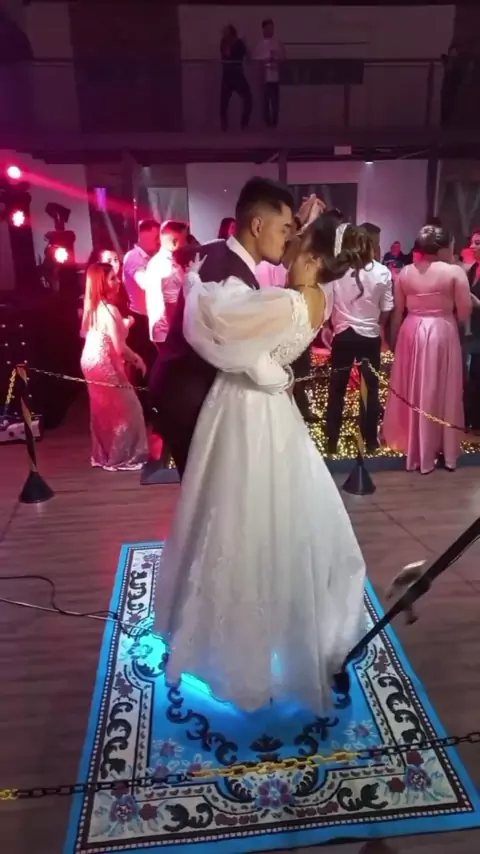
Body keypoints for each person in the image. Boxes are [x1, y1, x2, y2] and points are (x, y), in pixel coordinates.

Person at [153, 187, 367, 712]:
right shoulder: (317, 300)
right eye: (286, 230)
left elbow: (219, 324)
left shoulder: (285, 301)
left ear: (312, 256)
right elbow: (257, 342)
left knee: (235, 515)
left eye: (296, 239)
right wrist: (271, 369)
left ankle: (235, 647)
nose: (289, 243)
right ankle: (280, 625)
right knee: (274, 515)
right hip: (270, 414)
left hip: (246, 412)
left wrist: (194, 284)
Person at [382, 225, 471, 474]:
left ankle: (413, 444)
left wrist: (394, 340)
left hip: (410, 331)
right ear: (443, 247)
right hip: (442, 330)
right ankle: (441, 447)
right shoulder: (454, 272)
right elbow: (464, 312)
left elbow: (398, 312)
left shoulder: (406, 272)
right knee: (440, 389)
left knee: (412, 388)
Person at [325, 225, 394, 455]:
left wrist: (330, 325)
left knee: (337, 389)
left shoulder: (336, 270)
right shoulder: (382, 272)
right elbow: (387, 309)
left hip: (343, 335)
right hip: (369, 336)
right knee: (371, 390)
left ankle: (332, 440)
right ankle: (370, 439)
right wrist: (376, 322)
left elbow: (328, 304)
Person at [80, 263, 149, 471]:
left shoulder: (92, 308)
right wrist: (137, 358)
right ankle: (124, 456)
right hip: (103, 363)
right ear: (102, 283)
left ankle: (105, 454)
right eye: (113, 278)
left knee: (103, 410)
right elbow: (119, 348)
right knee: (129, 408)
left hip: (89, 361)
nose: (118, 281)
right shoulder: (110, 310)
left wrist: (123, 326)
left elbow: (99, 334)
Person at [122, 219, 160, 391]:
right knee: (145, 365)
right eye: (156, 237)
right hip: (139, 318)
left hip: (151, 316)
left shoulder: (152, 258)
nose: (158, 241)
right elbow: (145, 283)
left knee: (154, 363)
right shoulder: (133, 257)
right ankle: (146, 402)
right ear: (143, 235)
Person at [145, 220, 188, 347]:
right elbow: (171, 306)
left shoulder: (157, 261)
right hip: (169, 334)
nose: (186, 244)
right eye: (184, 239)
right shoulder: (167, 267)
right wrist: (177, 336)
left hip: (162, 331)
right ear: (175, 242)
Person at [220, 25, 252, 131]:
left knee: (247, 98)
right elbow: (227, 53)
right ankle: (226, 125)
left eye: (225, 31)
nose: (223, 32)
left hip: (235, 74)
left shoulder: (237, 43)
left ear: (231, 32)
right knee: (224, 101)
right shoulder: (225, 42)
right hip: (230, 74)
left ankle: (242, 123)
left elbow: (248, 58)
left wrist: (244, 44)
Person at [254, 19, 285, 128]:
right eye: (268, 28)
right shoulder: (259, 45)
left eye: (272, 28)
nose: (270, 30)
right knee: (265, 102)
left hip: (275, 76)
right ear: (263, 29)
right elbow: (257, 61)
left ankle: (274, 122)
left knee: (275, 101)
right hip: (265, 78)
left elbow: (283, 57)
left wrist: (277, 58)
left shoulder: (277, 43)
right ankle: (267, 123)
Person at [464, 227, 480, 431]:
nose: (472, 246)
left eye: (477, 243)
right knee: (473, 378)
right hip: (473, 333)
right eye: (472, 242)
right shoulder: (471, 270)